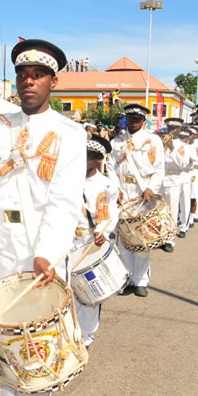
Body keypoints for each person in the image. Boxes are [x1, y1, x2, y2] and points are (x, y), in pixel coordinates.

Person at [0, 40, 85, 396]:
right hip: (0, 246)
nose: (28, 81)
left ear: (53, 81)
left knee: (38, 343)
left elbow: (65, 200)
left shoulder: (69, 134)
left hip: (41, 252)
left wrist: (48, 253)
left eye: (37, 75)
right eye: (22, 74)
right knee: (4, 336)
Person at [105, 103, 164, 298]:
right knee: (123, 239)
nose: (134, 122)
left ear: (143, 121)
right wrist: (116, 188)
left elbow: (159, 169)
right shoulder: (117, 141)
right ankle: (126, 278)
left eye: (138, 119)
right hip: (123, 191)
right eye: (131, 118)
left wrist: (150, 189)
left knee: (142, 239)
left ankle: (141, 280)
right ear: (127, 119)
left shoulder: (152, 140)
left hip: (142, 192)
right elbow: (110, 167)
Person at [72, 133, 119, 347]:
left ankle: (87, 334)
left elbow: (111, 213)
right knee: (67, 287)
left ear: (98, 159)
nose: (85, 160)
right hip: (67, 240)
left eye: (90, 157)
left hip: (91, 242)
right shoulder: (67, 179)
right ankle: (69, 329)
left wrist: (102, 231)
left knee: (89, 290)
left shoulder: (106, 185)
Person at [160, 118, 190, 251]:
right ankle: (160, 236)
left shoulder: (181, 146)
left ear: (179, 130)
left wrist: (172, 148)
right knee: (159, 210)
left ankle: (169, 240)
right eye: (169, 128)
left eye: (174, 129)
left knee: (171, 210)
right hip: (160, 178)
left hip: (173, 179)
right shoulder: (160, 143)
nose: (171, 131)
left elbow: (183, 164)